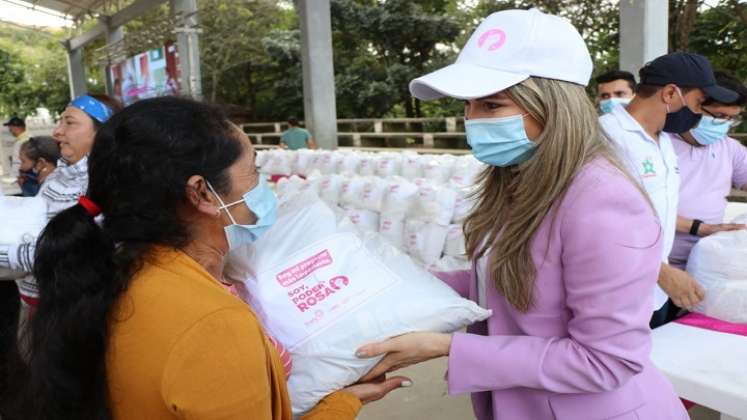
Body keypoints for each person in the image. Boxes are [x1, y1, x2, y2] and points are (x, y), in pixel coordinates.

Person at [355, 9, 687, 420]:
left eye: (492, 105)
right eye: (469, 106)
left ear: (553, 106)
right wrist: (405, 284)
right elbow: (507, 278)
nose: (472, 120)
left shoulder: (603, 201)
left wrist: (446, 347)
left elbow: (607, 361)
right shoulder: (519, 179)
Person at [3, 97, 407, 420]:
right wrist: (341, 405)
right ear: (202, 193)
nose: (263, 188)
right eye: (254, 170)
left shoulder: (112, 270)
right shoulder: (212, 323)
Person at [600, 52, 738, 328]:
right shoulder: (606, 138)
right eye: (699, 103)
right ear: (671, 94)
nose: (699, 113)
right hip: (614, 294)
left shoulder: (662, 140)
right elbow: (599, 224)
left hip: (654, 292)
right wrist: (660, 272)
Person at [0, 94, 122, 308]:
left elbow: (64, 252)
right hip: (37, 304)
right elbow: (38, 222)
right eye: (60, 121)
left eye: (70, 122)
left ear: (103, 133)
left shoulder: (107, 184)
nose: (57, 131)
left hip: (73, 311)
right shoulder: (60, 172)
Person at [670, 71, 747, 271]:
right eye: (720, 115)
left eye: (732, 119)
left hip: (708, 260)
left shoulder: (730, 148)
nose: (724, 125)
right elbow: (642, 209)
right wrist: (700, 228)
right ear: (695, 104)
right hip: (658, 262)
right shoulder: (659, 143)